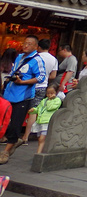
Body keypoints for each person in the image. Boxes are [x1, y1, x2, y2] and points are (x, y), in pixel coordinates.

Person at [0, 35, 46, 164]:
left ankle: (6, 152)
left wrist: (23, 82)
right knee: (5, 121)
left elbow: (41, 77)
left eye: (29, 44)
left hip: (22, 97)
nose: (26, 45)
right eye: (25, 43)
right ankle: (14, 141)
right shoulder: (19, 57)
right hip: (9, 94)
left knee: (15, 124)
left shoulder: (37, 60)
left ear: (36, 46)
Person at [22, 39, 58, 143]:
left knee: (22, 107)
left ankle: (17, 133)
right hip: (42, 86)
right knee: (34, 110)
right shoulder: (54, 59)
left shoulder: (34, 57)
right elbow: (53, 76)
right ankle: (26, 136)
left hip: (29, 85)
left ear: (38, 47)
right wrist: (45, 77)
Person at [29, 83, 62, 154]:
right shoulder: (44, 100)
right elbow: (39, 108)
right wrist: (34, 110)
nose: (49, 95)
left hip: (47, 121)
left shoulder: (57, 100)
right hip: (40, 121)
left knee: (42, 138)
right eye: (48, 93)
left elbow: (50, 107)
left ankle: (38, 153)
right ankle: (41, 151)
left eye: (52, 93)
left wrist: (50, 100)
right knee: (39, 138)